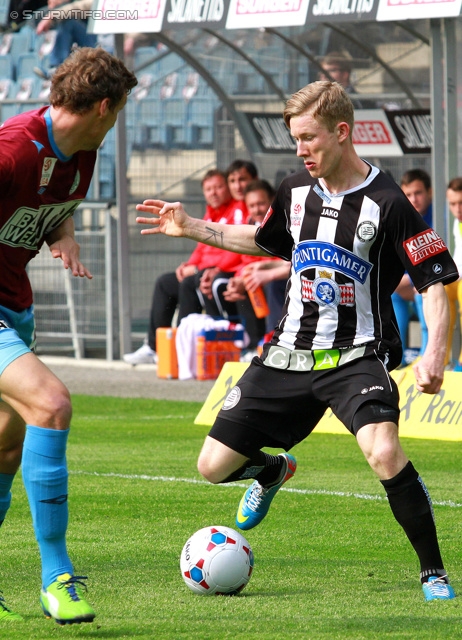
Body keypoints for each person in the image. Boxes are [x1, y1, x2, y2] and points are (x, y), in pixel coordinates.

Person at [135, 80, 458, 602]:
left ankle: (434, 573)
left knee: (383, 451)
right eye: (295, 140)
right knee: (211, 467)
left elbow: (436, 283)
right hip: (287, 354)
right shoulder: (293, 191)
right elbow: (260, 241)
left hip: (358, 356)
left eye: (308, 138)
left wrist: (434, 355)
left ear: (342, 131)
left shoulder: (388, 202)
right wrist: (190, 225)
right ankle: (273, 468)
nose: (301, 150)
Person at [0, 47, 137, 624]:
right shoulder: (10, 151)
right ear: (105, 105)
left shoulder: (85, 149)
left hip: (15, 308)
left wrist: (63, 232)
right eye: (120, 110)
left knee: (6, 449)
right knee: (52, 404)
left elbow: (50, 202)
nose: (117, 120)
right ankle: (57, 576)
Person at [122, 169, 245, 365]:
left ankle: (181, 348)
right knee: (165, 282)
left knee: (189, 282)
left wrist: (197, 269)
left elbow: (237, 249)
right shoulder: (211, 213)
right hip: (203, 270)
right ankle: (154, 348)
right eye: (208, 189)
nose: (213, 192)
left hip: (221, 272)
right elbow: (200, 248)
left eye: (218, 187)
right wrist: (189, 264)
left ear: (227, 189)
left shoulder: (237, 210)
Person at [392, 169, 433, 364]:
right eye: (408, 194)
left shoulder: (440, 214)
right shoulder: (401, 217)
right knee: (391, 291)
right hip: (410, 282)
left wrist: (410, 279)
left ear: (430, 192)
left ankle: (426, 355)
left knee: (421, 290)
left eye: (418, 193)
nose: (413, 199)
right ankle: (396, 355)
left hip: (434, 281)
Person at [34, 0, 97, 80]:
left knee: (69, 23)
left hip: (109, 44)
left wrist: (52, 15)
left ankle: (59, 69)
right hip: (97, 41)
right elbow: (82, 6)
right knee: (68, 23)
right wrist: (53, 15)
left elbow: (84, 5)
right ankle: (57, 68)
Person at [444, 177, 462, 370]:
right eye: (453, 204)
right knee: (436, 293)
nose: (458, 209)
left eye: (461, 203)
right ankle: (440, 359)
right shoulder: (458, 222)